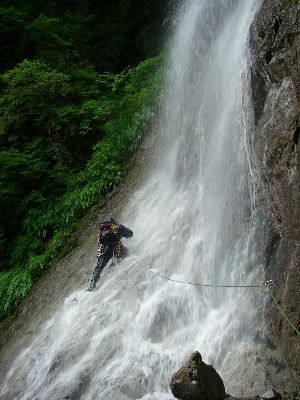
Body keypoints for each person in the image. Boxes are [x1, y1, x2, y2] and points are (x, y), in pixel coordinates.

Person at [87, 217, 133, 291]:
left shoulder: (102, 232)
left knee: (99, 266)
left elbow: (101, 242)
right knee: (125, 253)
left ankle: (92, 284)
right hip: (116, 247)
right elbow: (130, 234)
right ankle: (122, 271)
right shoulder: (117, 228)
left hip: (104, 249)